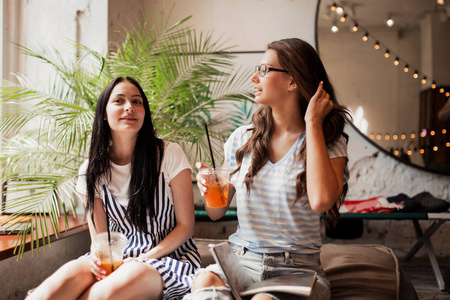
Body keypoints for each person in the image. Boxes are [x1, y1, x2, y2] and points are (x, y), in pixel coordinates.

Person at [184, 38, 350, 300]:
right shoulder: (242, 139)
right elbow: (216, 213)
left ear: (292, 81)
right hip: (240, 260)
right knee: (204, 281)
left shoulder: (329, 140)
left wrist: (313, 123)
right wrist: (210, 187)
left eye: (264, 70)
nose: (254, 78)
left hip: (296, 268)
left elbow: (321, 201)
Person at [27, 77, 201, 300]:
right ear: (104, 113)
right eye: (119, 100)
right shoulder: (91, 170)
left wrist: (145, 257)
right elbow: (99, 239)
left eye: (137, 102)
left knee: (101, 295)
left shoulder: (169, 154)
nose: (130, 106)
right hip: (115, 258)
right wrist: (99, 261)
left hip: (166, 258)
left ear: (144, 113)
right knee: (53, 287)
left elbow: (186, 226)